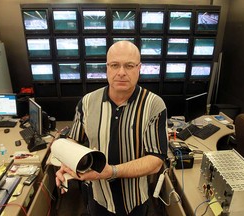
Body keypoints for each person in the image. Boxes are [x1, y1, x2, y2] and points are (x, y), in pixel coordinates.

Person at [55, 41, 168, 216]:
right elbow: (73, 142)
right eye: (115, 65)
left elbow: (155, 161)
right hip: (98, 199)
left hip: (135, 202)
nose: (121, 72)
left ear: (139, 68)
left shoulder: (154, 105)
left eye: (129, 66)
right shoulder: (87, 102)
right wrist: (66, 162)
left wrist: (111, 172)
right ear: (107, 68)